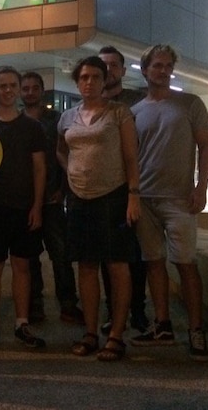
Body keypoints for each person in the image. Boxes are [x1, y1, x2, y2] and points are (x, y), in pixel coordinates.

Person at [129, 44, 208, 362]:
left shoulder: (190, 104)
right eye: (157, 66)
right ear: (145, 70)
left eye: (167, 66)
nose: (163, 71)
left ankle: (196, 329)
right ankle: (162, 325)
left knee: (186, 264)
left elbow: (205, 147)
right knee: (153, 262)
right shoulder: (135, 112)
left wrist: (201, 187)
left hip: (179, 199)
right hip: (145, 200)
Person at [57, 56, 141, 362]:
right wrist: (72, 171)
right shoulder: (67, 117)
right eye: (83, 77)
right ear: (77, 82)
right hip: (79, 199)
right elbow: (60, 149)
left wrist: (134, 195)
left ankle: (116, 335)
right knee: (87, 266)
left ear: (105, 80)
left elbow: (132, 158)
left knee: (118, 265)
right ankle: (91, 333)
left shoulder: (119, 113)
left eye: (95, 76)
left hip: (114, 197)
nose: (89, 82)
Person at [0, 66, 47, 350]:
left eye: (12, 85)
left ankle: (21, 323)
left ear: (18, 88)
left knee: (22, 266)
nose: (7, 90)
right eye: (2, 85)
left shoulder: (33, 127)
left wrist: (37, 206)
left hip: (24, 208)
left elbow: (39, 169)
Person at [21, 71, 84, 326]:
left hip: (54, 199)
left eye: (34, 88)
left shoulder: (57, 120)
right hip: (24, 202)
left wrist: (64, 188)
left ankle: (68, 305)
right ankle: (34, 306)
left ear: (42, 90)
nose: (29, 92)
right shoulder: (16, 121)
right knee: (30, 257)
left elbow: (66, 156)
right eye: (25, 88)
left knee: (62, 256)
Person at [98, 45, 149, 335]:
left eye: (113, 65)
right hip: (103, 192)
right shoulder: (91, 105)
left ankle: (138, 311)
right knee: (108, 258)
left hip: (132, 189)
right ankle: (112, 311)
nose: (108, 70)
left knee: (135, 255)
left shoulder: (136, 102)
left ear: (122, 70)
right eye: (103, 65)